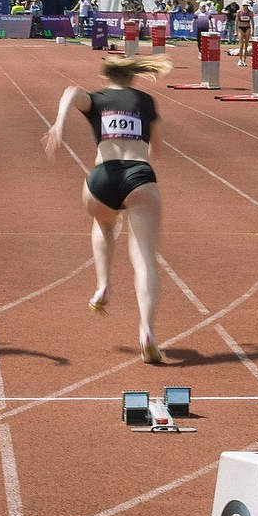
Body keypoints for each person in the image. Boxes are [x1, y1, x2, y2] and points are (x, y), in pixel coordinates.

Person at [43, 54, 171, 365]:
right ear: (133, 77)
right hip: (139, 176)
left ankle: (103, 285)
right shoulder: (145, 101)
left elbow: (72, 91)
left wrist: (59, 124)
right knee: (145, 260)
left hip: (101, 178)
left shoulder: (97, 99)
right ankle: (147, 330)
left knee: (103, 224)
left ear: (105, 77)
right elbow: (157, 147)